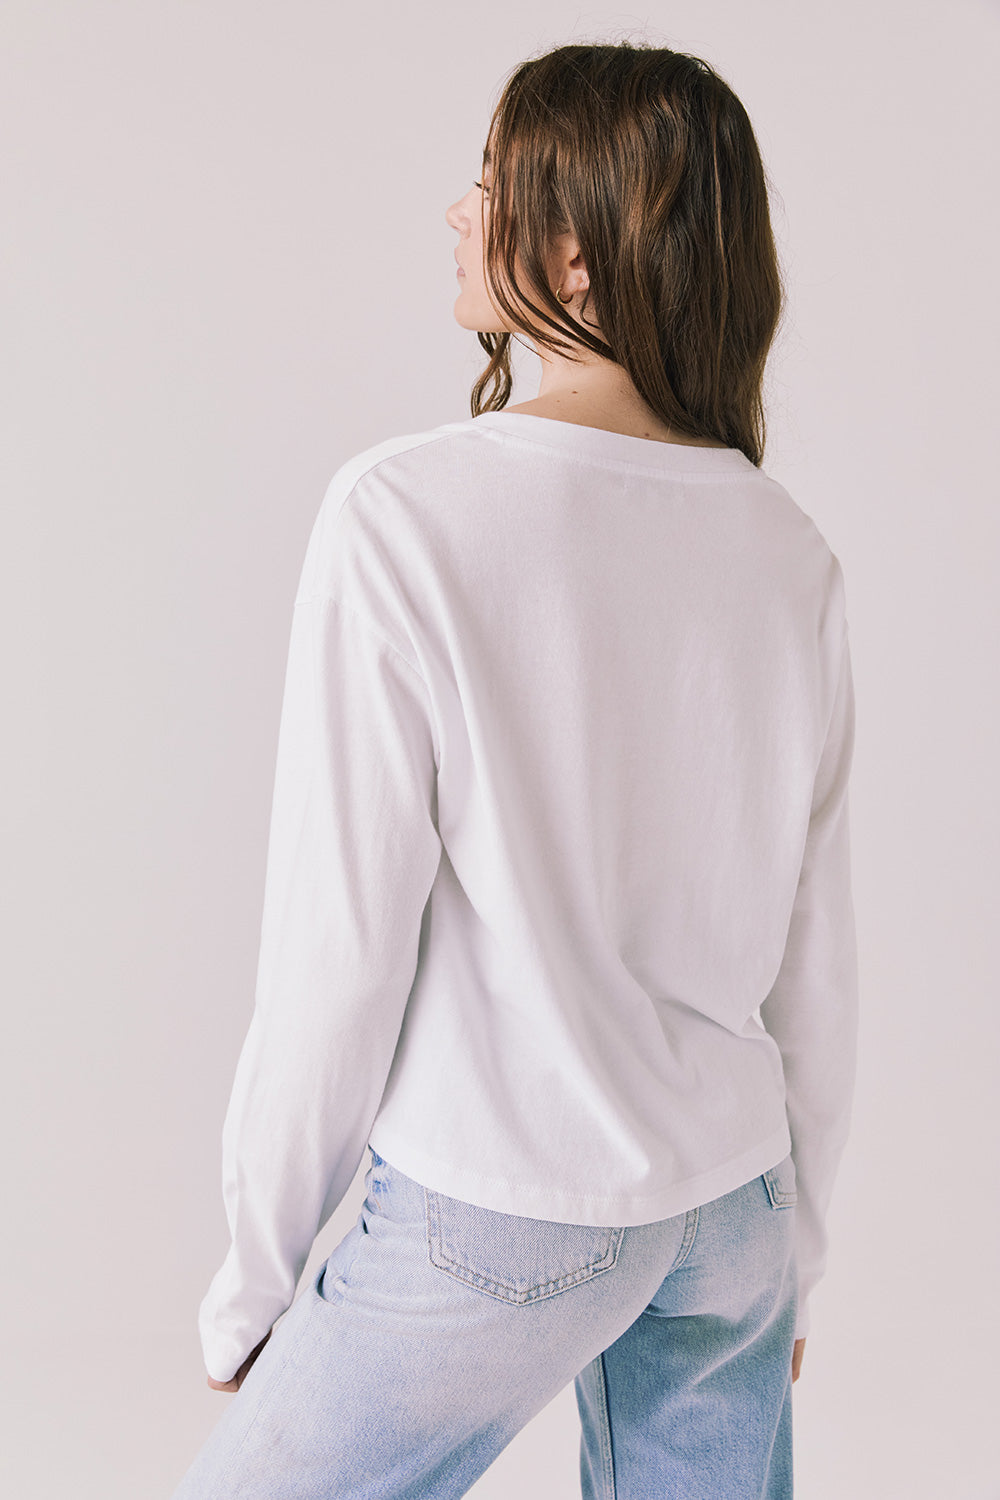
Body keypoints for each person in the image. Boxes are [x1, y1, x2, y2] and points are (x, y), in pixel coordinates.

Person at [171, 38, 858, 1500]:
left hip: (506, 1198)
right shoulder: (786, 546)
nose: (453, 214)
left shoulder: (407, 513)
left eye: (486, 183)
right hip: (731, 1207)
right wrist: (792, 1255)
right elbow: (816, 953)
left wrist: (254, 1281)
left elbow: (336, 956)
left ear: (579, 253)